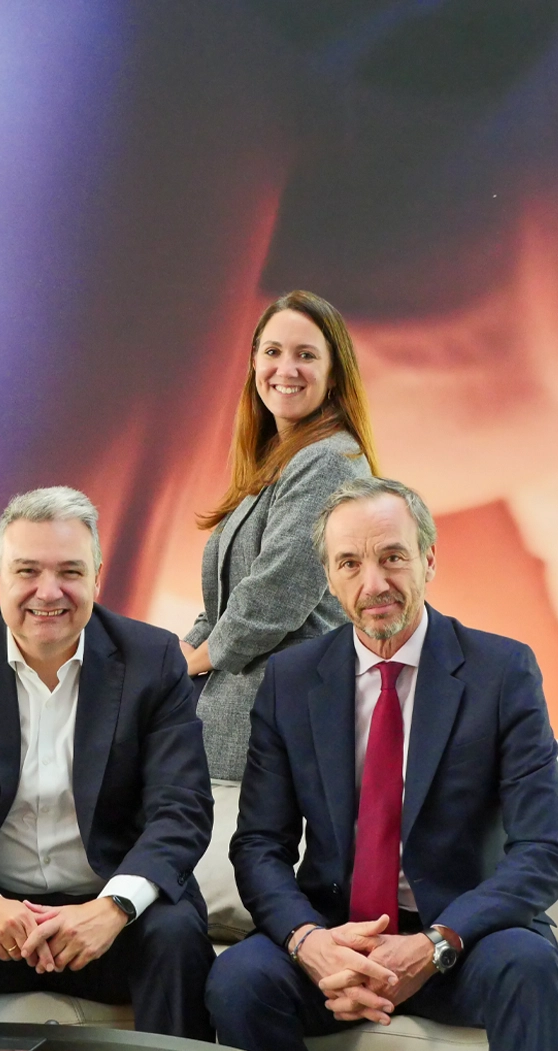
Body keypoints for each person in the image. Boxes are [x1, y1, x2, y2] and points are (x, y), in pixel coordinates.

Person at [207, 475, 558, 1051]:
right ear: (329, 577)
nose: (373, 583)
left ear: (429, 559)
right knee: (237, 979)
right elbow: (258, 845)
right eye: (349, 563)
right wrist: (309, 941)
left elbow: (546, 851)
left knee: (531, 968)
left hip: (464, 940)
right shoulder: (291, 680)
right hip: (337, 937)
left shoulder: (501, 671)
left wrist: (435, 943)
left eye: (392, 557)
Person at [0, 486, 215, 1049]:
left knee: (175, 932)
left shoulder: (153, 661)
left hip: (109, 916)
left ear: (98, 577)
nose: (48, 592)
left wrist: (113, 908)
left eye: (70, 572)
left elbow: (182, 809)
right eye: (27, 570)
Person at [182, 291, 379, 780]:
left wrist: (194, 662)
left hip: (278, 728)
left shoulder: (329, 460)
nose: (285, 369)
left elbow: (276, 594)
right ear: (253, 364)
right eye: (272, 352)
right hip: (235, 722)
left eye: (306, 355)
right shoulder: (276, 461)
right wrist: (175, 658)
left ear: (334, 373)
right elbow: (225, 601)